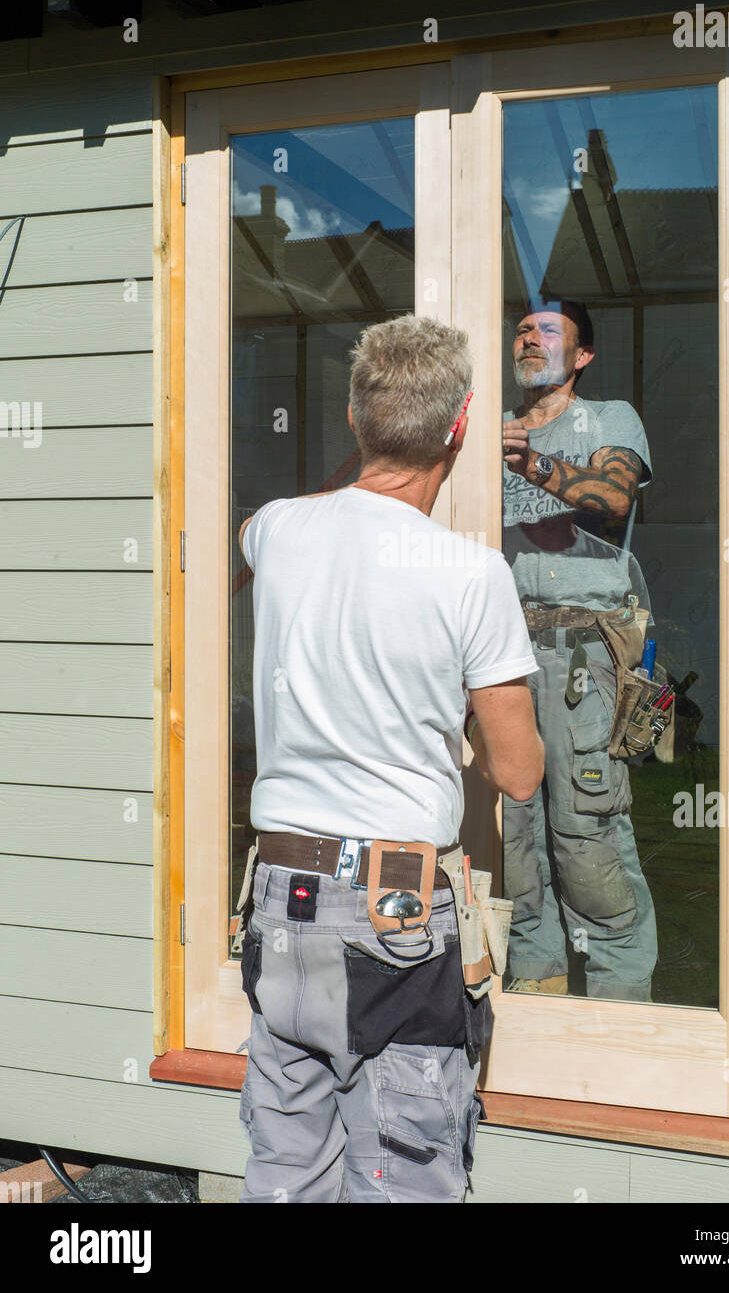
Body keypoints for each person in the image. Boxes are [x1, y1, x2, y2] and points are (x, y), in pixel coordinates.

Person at [236, 314, 544, 1202]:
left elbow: (260, 523)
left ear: (351, 417)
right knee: (400, 1177)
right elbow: (518, 772)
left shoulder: (278, 535)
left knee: (287, 1170)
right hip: (394, 916)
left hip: (279, 906)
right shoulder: (471, 573)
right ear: (462, 426)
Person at [501, 299, 658, 1002]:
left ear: (582, 355)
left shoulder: (609, 418)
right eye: (522, 329)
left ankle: (621, 1014)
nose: (528, 338)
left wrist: (526, 460)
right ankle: (535, 994)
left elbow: (613, 498)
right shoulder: (484, 435)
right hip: (500, 653)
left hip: (582, 660)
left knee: (584, 828)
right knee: (515, 831)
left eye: (547, 331)